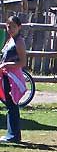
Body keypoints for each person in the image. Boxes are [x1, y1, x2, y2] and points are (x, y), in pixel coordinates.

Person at [0, 15, 27, 143]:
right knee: (9, 104)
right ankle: (12, 133)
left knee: (12, 104)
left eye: (13, 27)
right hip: (6, 75)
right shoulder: (10, 39)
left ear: (19, 27)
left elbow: (22, 62)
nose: (10, 29)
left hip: (13, 77)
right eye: (9, 26)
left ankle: (14, 135)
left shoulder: (19, 41)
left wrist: (6, 65)